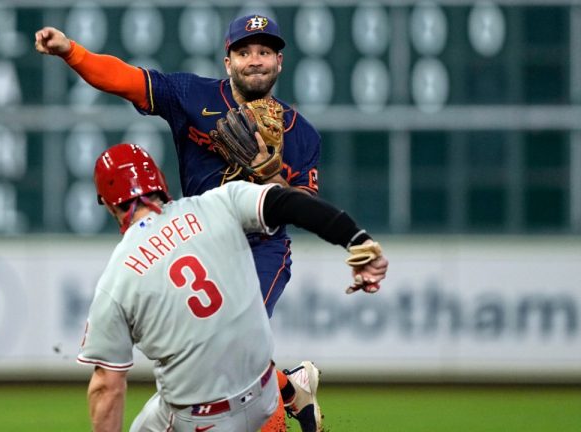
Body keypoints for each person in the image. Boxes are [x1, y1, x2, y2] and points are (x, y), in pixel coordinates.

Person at [36, 14, 324, 431]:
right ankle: (290, 388)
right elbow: (126, 80)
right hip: (198, 242)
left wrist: (272, 175)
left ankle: (280, 400)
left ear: (280, 62)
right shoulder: (193, 95)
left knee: (233, 346)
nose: (255, 60)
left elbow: (307, 210)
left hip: (260, 247)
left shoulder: (302, 134)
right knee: (215, 352)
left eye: (264, 52)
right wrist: (71, 52)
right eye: (244, 52)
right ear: (228, 61)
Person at [79, 143, 388, 432]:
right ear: (160, 182)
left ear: (108, 204)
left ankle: (291, 389)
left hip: (202, 419)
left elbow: (107, 385)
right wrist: (356, 238)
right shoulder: (218, 203)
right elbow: (290, 202)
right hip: (265, 394)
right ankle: (290, 387)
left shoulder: (116, 278)